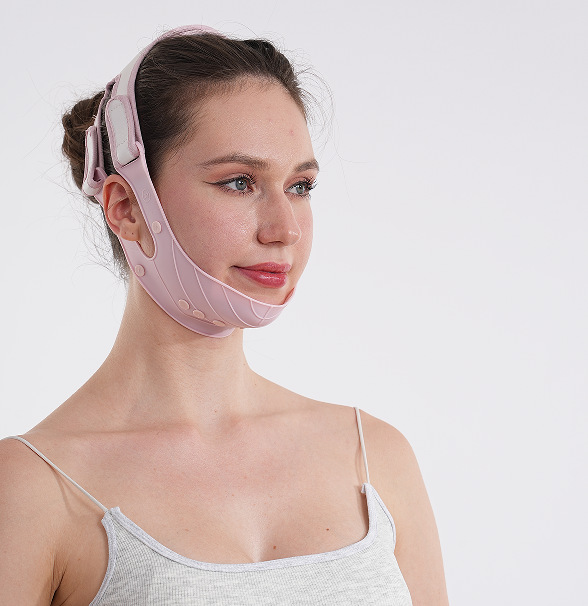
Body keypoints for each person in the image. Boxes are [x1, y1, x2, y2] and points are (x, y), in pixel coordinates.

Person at [0, 25, 449, 605]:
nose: (284, 229)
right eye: (239, 182)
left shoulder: (376, 458)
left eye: (300, 186)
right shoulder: (33, 487)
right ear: (127, 207)